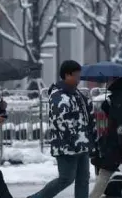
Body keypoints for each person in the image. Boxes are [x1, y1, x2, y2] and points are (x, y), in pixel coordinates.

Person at [28, 61, 96, 198]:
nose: (78, 79)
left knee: (84, 179)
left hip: (83, 144)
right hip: (66, 146)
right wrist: (73, 141)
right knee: (66, 178)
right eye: (76, 76)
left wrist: (91, 137)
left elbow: (87, 116)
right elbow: (62, 122)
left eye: (79, 76)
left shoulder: (77, 94)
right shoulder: (59, 96)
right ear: (66, 75)